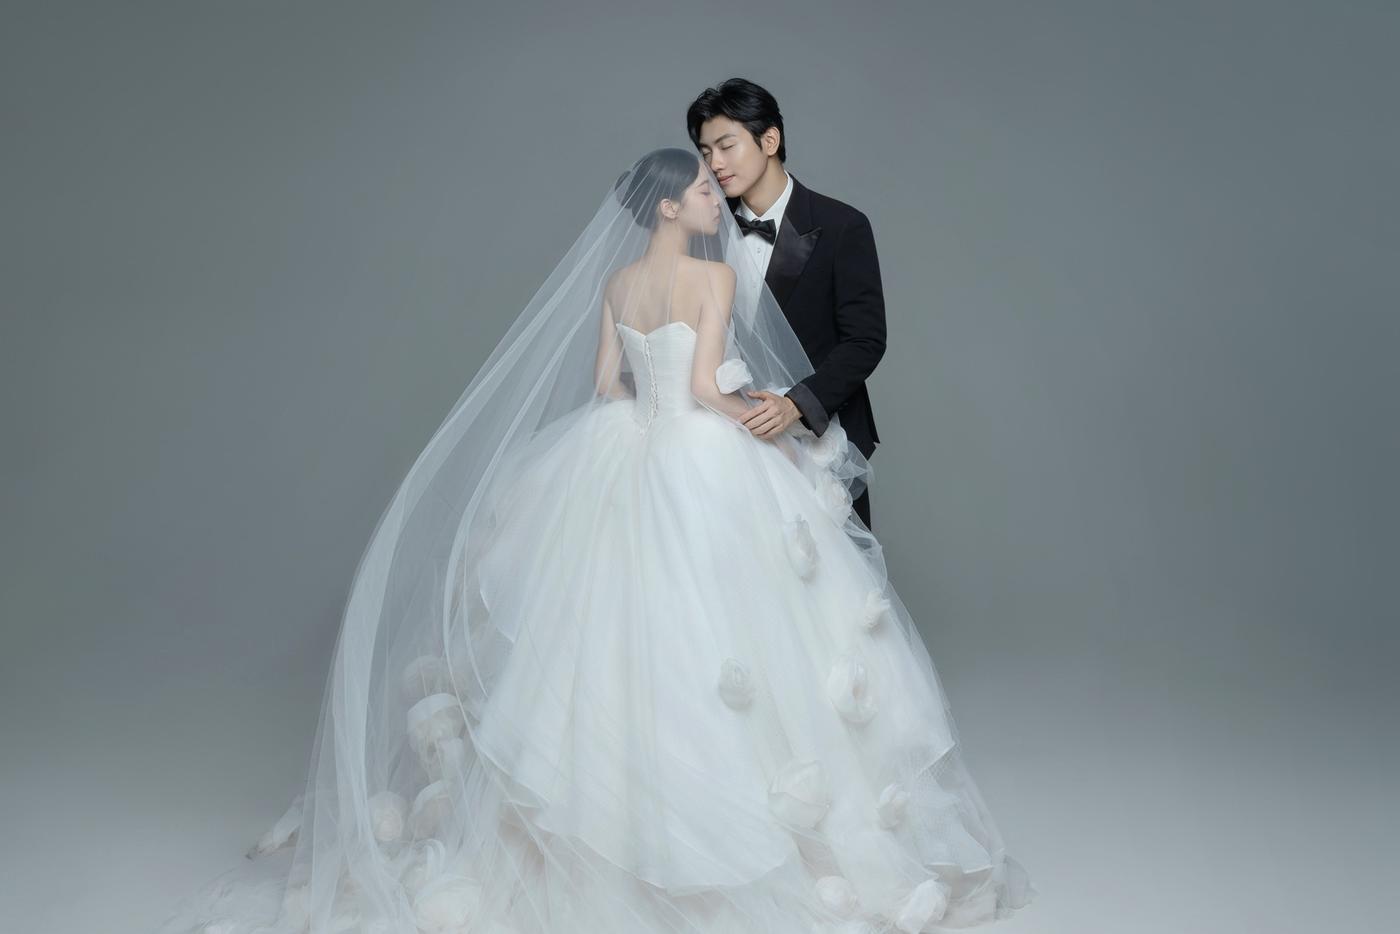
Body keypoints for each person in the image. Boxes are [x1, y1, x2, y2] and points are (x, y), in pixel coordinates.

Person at [158, 147, 1034, 934]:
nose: (715, 196)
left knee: (608, 639)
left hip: (623, 450)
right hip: (697, 453)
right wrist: (765, 425)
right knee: (730, 631)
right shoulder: (712, 279)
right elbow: (705, 387)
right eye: (702, 188)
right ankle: (721, 829)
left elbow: (606, 381)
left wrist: (644, 426)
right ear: (669, 207)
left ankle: (605, 824)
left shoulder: (618, 284)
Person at [688, 78, 886, 530]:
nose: (714, 164)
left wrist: (796, 404)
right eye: (705, 152)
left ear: (770, 140)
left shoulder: (842, 226)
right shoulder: (703, 232)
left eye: (726, 146)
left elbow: (865, 340)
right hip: (723, 443)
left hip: (819, 440)